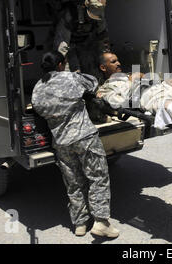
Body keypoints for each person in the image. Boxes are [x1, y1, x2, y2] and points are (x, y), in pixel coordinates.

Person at [31, 51, 119, 238]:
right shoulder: (71, 78)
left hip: (61, 142)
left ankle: (80, 224)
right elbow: (93, 83)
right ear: (61, 64)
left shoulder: (38, 87)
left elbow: (38, 109)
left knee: (74, 183)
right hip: (84, 137)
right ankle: (101, 222)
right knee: (98, 177)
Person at [53, 0, 110, 80]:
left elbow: (103, 39)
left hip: (85, 44)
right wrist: (64, 70)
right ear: (84, 7)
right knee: (73, 73)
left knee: (92, 70)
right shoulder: (70, 16)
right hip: (68, 45)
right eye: (91, 15)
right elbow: (62, 46)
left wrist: (106, 60)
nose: (92, 19)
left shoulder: (100, 18)